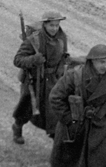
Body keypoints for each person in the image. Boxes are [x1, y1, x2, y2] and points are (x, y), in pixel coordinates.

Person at [49, 44, 106, 167]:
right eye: (102, 62)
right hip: (75, 126)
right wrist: (68, 119)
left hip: (98, 128)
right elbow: (55, 97)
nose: (105, 66)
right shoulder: (74, 75)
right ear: (92, 61)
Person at [12, 12, 69, 144]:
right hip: (33, 81)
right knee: (26, 108)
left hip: (53, 81)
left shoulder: (62, 38)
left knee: (53, 111)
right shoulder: (34, 40)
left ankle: (56, 139)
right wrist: (33, 59)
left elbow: (63, 56)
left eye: (57, 25)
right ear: (44, 25)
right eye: (51, 25)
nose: (54, 28)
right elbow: (17, 60)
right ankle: (17, 126)